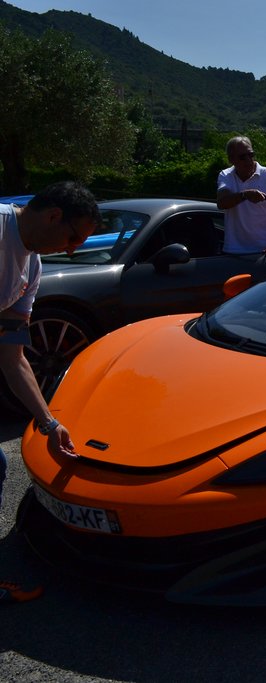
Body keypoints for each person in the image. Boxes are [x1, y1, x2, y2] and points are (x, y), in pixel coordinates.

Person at [0, 181, 101, 604]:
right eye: (74, 237)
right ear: (53, 215)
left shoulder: (33, 266)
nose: (74, 249)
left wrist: (49, 423)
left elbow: (12, 355)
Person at [216, 136, 266, 254]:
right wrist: (245, 195)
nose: (248, 160)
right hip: (234, 252)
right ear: (231, 159)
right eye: (242, 157)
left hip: (265, 251)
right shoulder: (226, 176)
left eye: (251, 155)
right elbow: (222, 203)